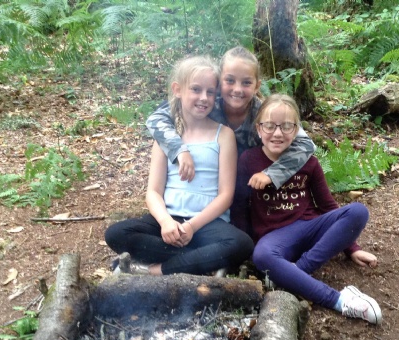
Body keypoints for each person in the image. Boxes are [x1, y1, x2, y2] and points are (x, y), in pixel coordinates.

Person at [231, 94, 382, 325]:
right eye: (270, 126)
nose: (278, 133)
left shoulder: (308, 162)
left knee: (358, 212)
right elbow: (240, 208)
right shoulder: (248, 160)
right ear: (259, 129)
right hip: (275, 238)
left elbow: (328, 205)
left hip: (310, 228)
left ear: (296, 130)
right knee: (262, 255)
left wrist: (352, 248)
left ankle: (297, 271)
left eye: (286, 126)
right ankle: (339, 301)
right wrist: (248, 248)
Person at [105, 55, 254, 276]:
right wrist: (165, 221)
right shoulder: (166, 137)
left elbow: (225, 196)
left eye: (210, 92)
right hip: (169, 218)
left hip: (206, 223)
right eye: (196, 89)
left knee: (241, 244)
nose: (203, 98)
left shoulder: (223, 135)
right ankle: (202, 260)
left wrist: (192, 226)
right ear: (178, 90)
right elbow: (153, 192)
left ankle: (155, 269)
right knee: (116, 233)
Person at [146, 46, 315, 191]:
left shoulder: (265, 113)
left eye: (246, 83)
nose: (237, 89)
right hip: (209, 186)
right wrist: (179, 150)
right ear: (219, 83)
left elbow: (306, 144)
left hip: (254, 188)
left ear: (257, 86)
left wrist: (271, 174)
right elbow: (156, 119)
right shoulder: (208, 104)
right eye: (230, 80)